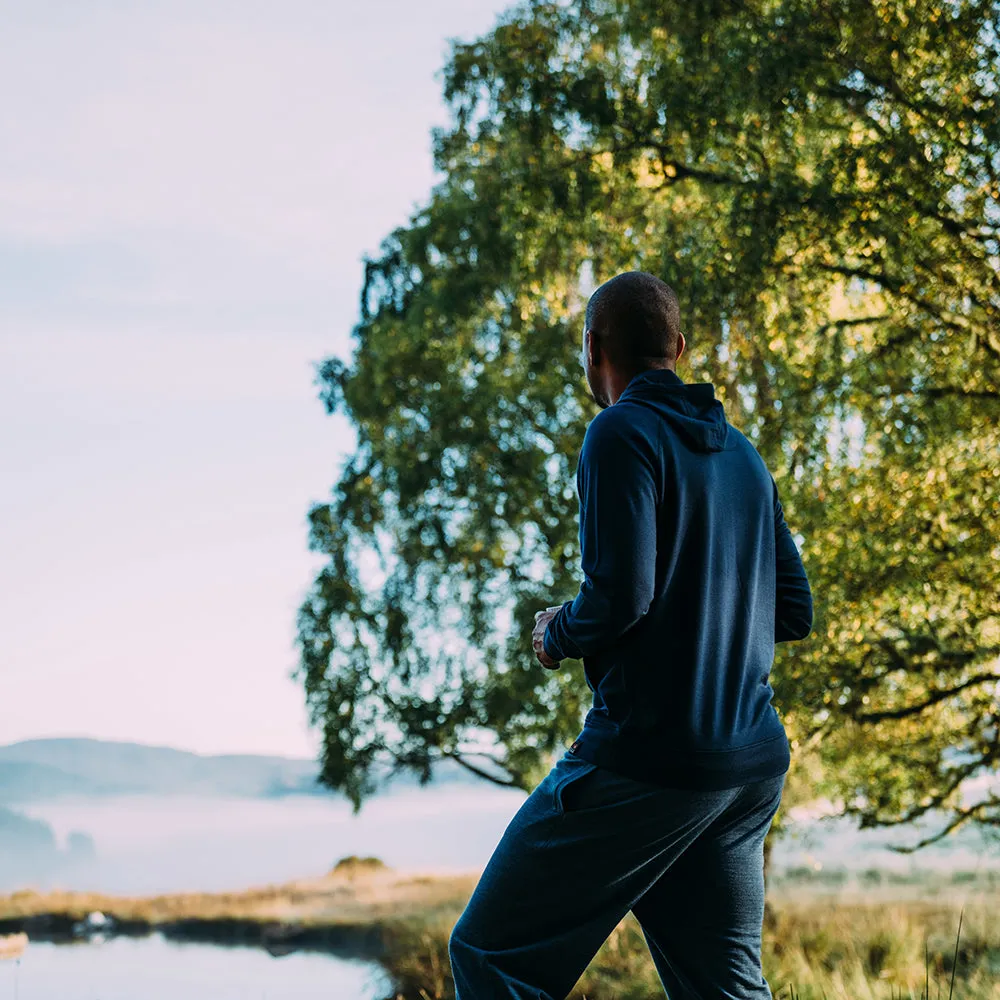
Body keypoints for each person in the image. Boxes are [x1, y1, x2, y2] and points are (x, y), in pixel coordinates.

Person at [448, 270, 813, 999]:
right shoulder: (744, 456)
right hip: (746, 769)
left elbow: (620, 600)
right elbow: (794, 610)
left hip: (650, 761)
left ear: (593, 350)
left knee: (491, 953)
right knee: (724, 990)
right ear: (678, 346)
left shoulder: (619, 432)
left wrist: (556, 634)